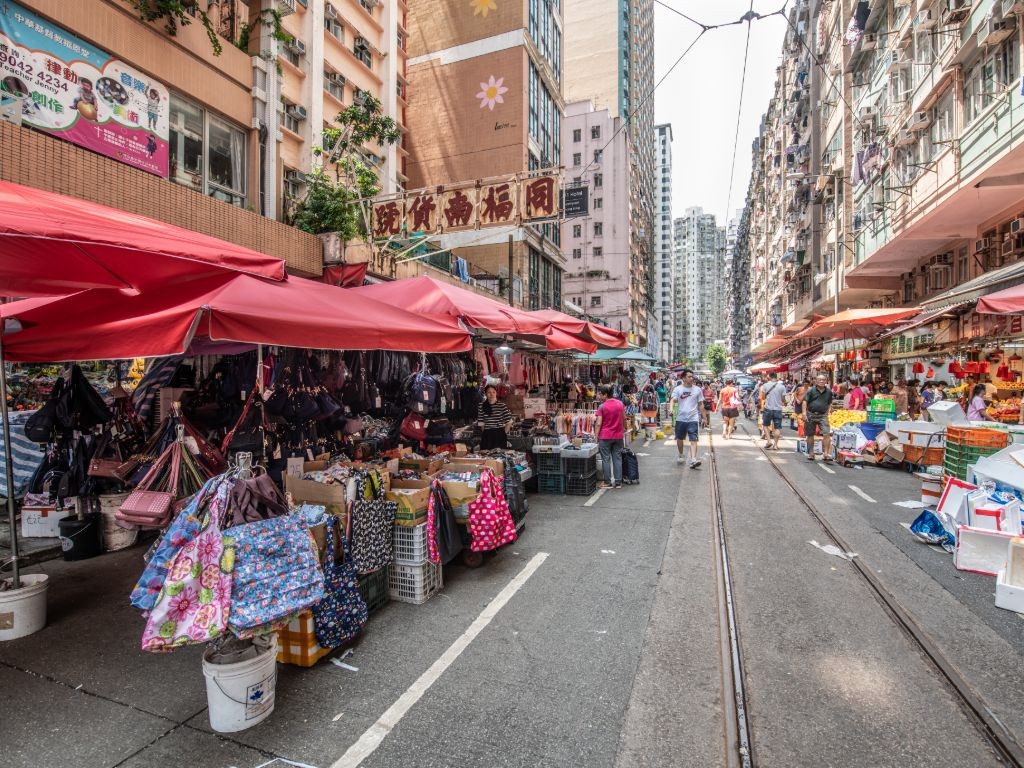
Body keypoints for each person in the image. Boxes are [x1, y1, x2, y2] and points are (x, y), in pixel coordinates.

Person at [671, 370, 706, 468]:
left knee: (693, 439)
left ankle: (693, 459)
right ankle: (681, 454)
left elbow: (701, 404)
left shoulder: (697, 390)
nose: (692, 378)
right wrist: (671, 409)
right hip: (681, 418)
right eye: (689, 376)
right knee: (679, 438)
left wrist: (704, 418)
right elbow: (673, 400)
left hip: (693, 418)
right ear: (683, 378)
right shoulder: (678, 389)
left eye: (692, 377)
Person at [595, 385, 626, 488]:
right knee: (617, 458)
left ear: (605, 395)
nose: (599, 396)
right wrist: (624, 429)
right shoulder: (620, 404)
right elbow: (624, 418)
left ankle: (607, 482)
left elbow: (598, 423)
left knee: (606, 459)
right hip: (618, 436)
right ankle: (618, 482)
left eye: (600, 394)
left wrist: (596, 436)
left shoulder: (602, 407)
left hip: (605, 436)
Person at [803, 373, 835, 462]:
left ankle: (826, 453)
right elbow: (805, 402)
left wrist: (828, 412)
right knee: (810, 434)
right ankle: (811, 453)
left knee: (826, 433)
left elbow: (829, 403)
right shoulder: (811, 390)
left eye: (823, 380)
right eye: (820, 380)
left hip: (823, 415)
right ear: (816, 381)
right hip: (811, 414)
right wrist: (804, 413)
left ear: (826, 381)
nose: (821, 381)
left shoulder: (829, 392)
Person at [478, 384, 513, 449]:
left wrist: (503, 433)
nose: (491, 394)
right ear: (486, 394)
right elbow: (481, 423)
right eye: (489, 392)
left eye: (493, 392)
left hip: (499, 434)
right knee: (486, 456)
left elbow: (509, 422)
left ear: (496, 393)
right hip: (487, 435)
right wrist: (486, 433)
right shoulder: (481, 406)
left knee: (499, 456)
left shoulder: (502, 405)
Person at [759, 372, 786, 449]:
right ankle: (775, 445)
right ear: (776, 377)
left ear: (770, 377)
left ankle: (769, 441)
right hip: (778, 409)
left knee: (765, 425)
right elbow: (783, 399)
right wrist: (784, 402)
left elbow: (763, 398)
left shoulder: (765, 385)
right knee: (777, 428)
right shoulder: (782, 386)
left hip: (768, 409)